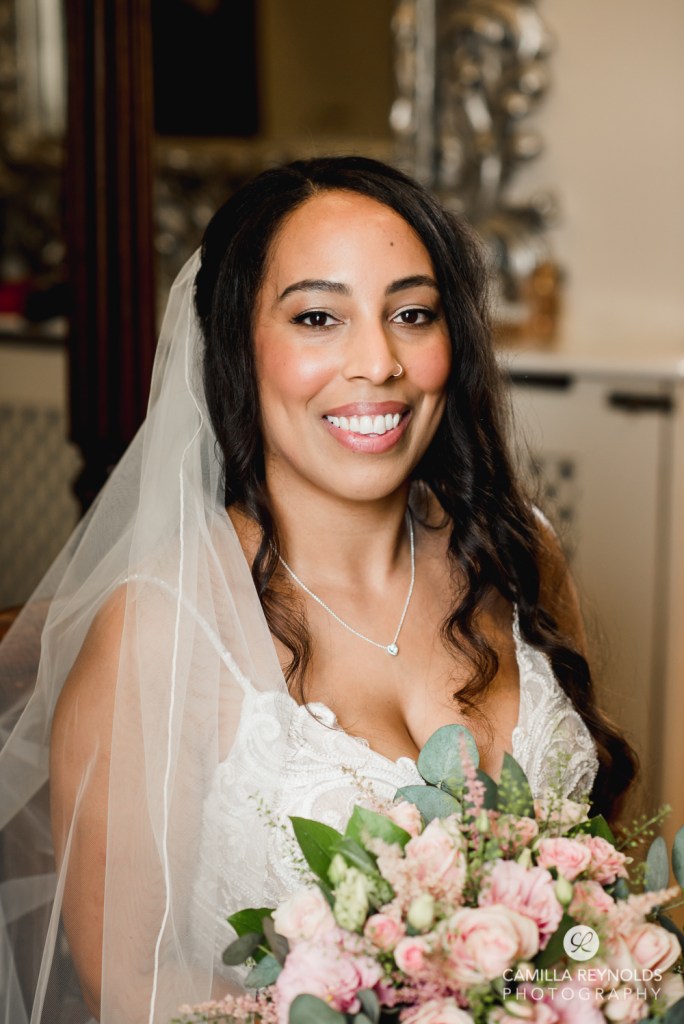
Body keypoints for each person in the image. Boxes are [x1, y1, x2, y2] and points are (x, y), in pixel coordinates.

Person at [0, 156, 636, 1024]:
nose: (377, 362)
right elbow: (129, 991)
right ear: (237, 345)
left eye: (411, 314)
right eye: (317, 317)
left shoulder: (520, 552)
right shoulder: (160, 631)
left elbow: (601, 888)